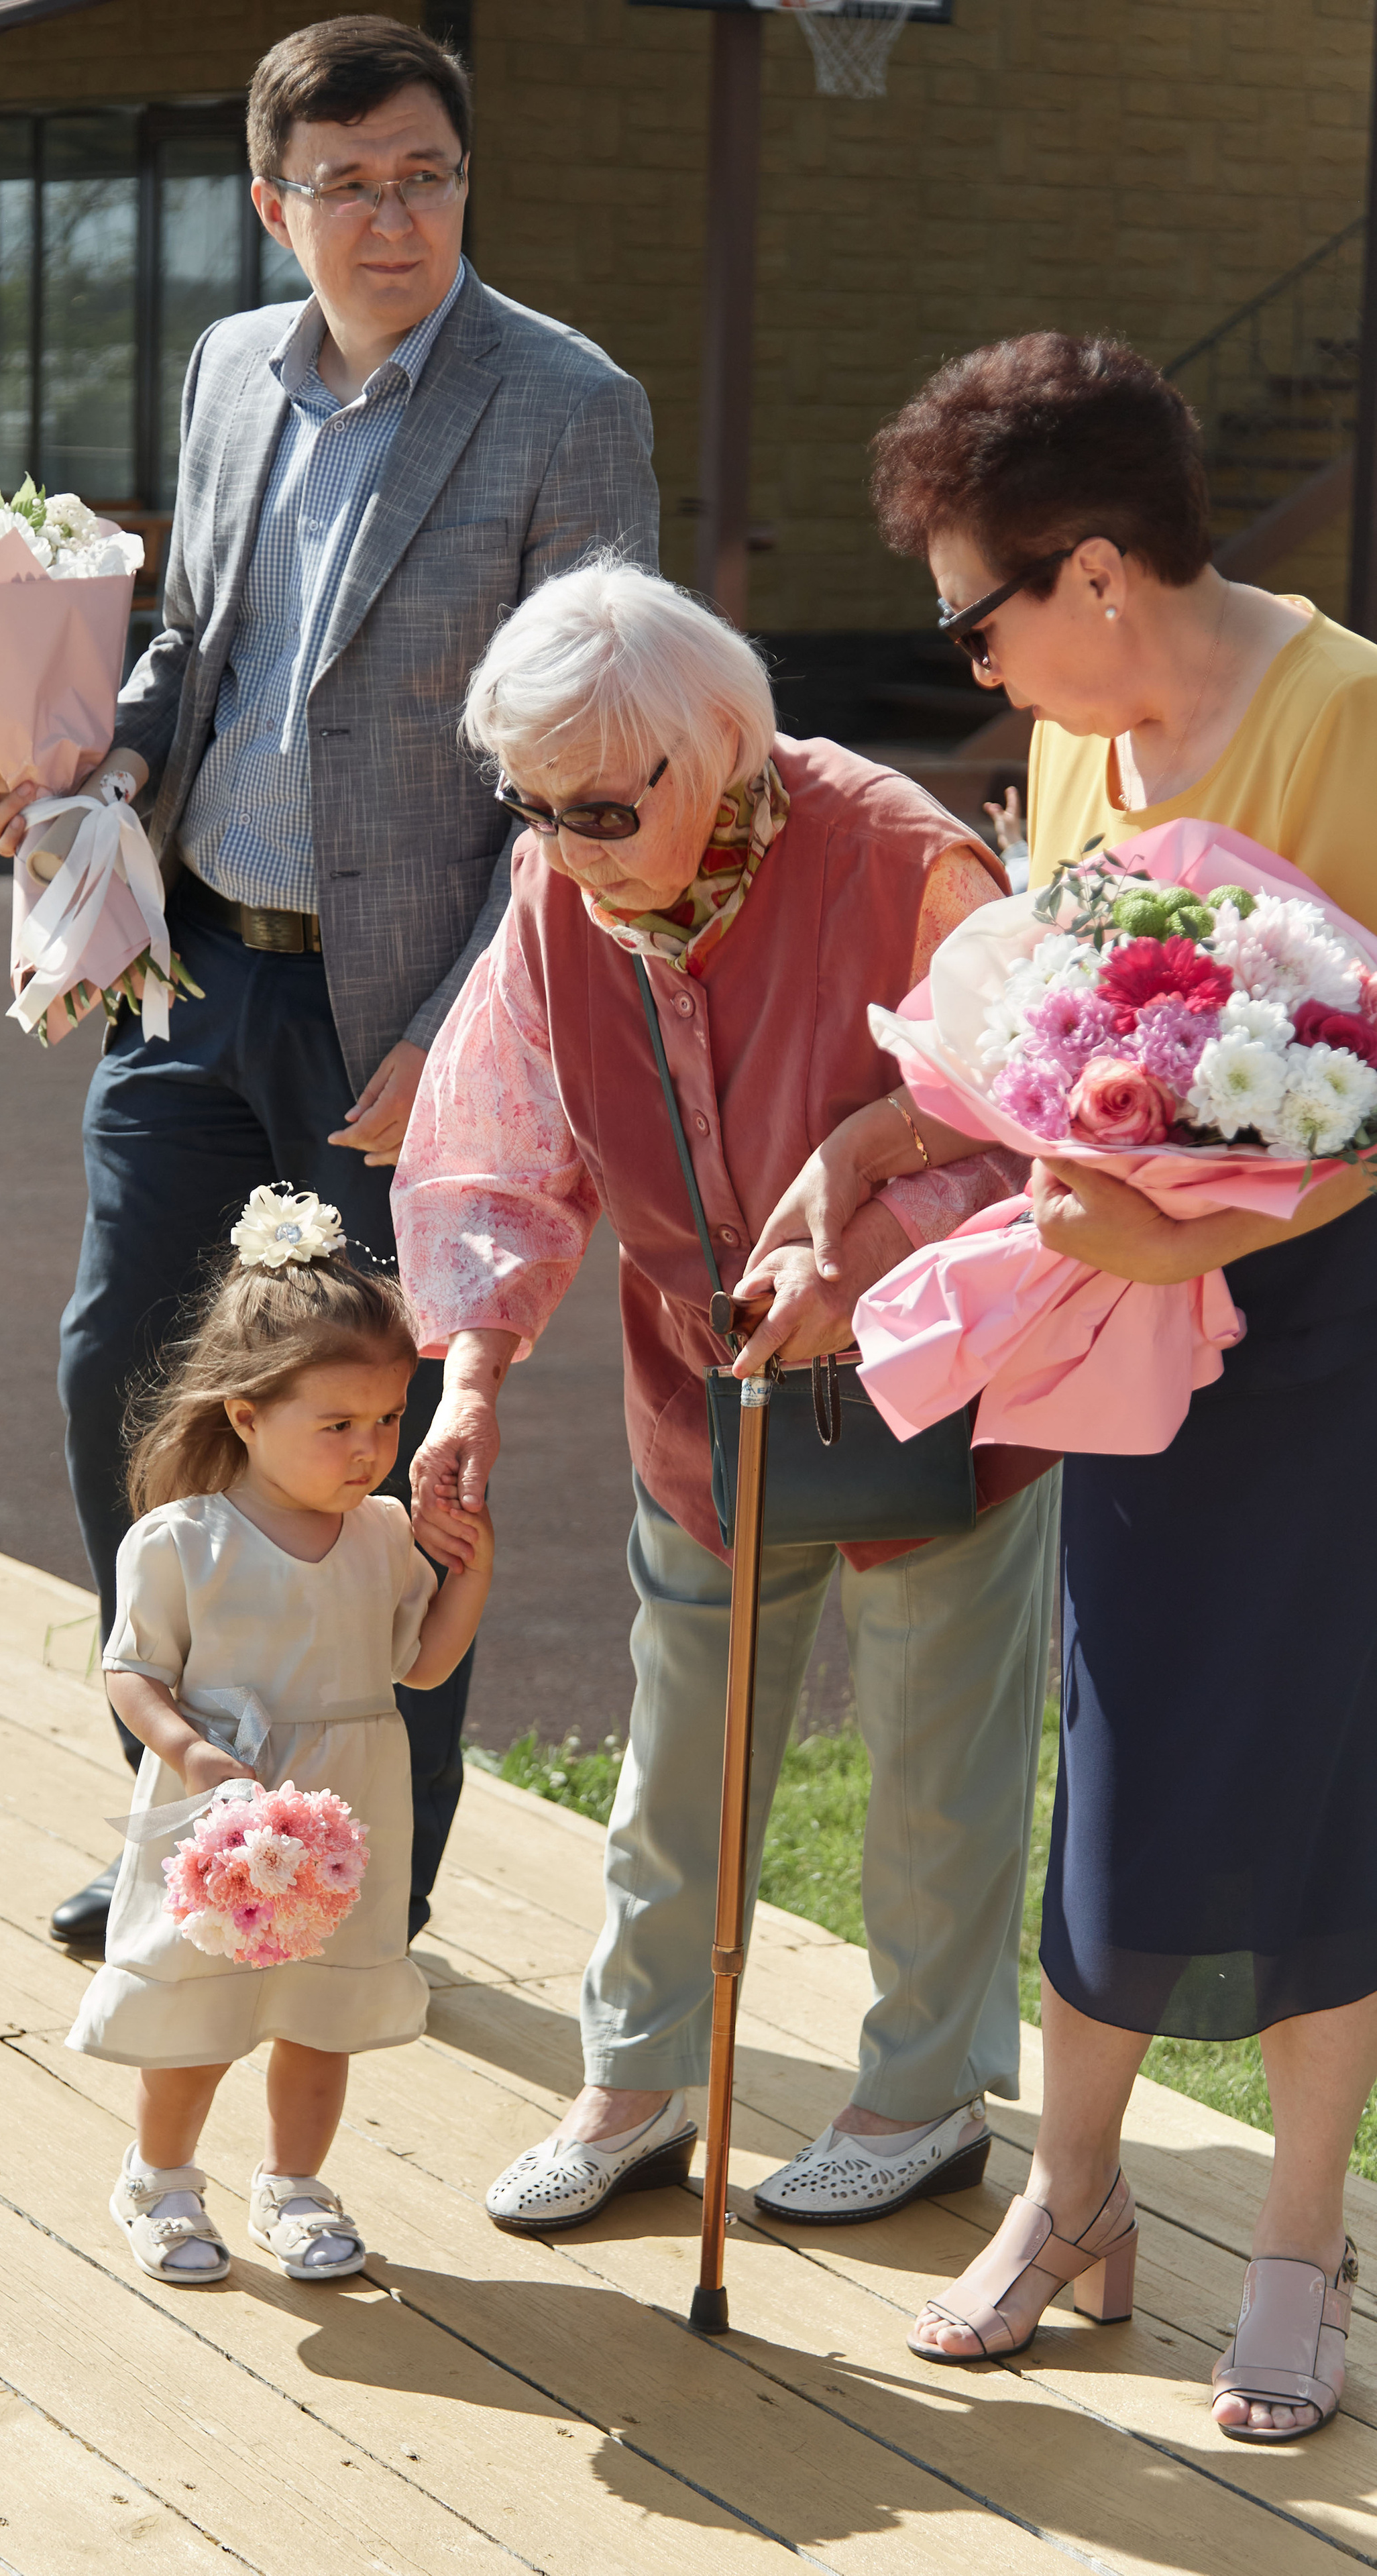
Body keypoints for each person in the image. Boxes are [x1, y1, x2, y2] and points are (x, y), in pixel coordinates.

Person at [0, 15, 659, 1956]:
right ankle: (194, 1794)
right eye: (348, 183)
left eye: (426, 173)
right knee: (133, 1384)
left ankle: (367, 1868)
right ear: (278, 204)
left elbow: (592, 768)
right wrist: (72, 774)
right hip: (193, 982)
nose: (395, 214)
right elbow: (198, 648)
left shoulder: (567, 406)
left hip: (406, 1022)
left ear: (462, 184)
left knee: (373, 1439)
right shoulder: (232, 366)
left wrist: (460, 1039)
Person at [392, 559, 1061, 2231]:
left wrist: (866, 1256)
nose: (566, 846)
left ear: (717, 744)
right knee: (675, 1736)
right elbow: (500, 1138)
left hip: (928, 1387)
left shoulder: (903, 857)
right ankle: (636, 2078)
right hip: (696, 1390)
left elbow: (1036, 1127)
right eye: (531, 808)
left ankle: (921, 2096)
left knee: (928, 1756)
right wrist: (469, 1380)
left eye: (604, 807)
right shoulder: (567, 889)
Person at [867, 329, 1377, 2440]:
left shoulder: (1351, 719)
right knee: (1120, 1734)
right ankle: (1075, 2204)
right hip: (1133, 1334)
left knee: (1327, 1773)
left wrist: (1204, 1233)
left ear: (1089, 574)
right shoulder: (1080, 741)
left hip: (1333, 1335)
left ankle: (1296, 2246)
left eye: (976, 613)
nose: (977, 667)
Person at [68, 1187, 492, 2285]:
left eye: (390, 1421)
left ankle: (294, 2186)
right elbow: (131, 1668)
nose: (370, 1450)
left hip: (348, 1804)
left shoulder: (384, 1532)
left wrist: (468, 1573)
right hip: (227, 1812)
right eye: (339, 1426)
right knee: (200, 2015)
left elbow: (422, 1664)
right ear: (248, 1416)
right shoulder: (181, 1540)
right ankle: (159, 2177)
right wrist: (195, 1756)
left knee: (322, 2013)